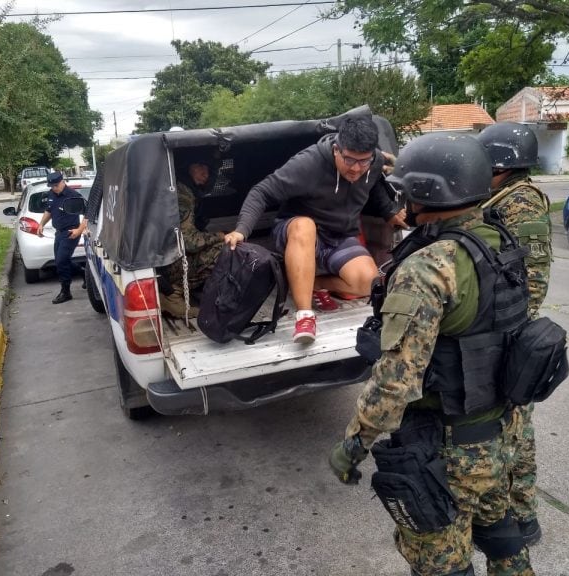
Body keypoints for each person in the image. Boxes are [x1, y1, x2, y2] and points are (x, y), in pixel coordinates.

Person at [329, 133, 535, 576]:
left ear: (427, 192)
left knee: (441, 564)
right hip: (501, 436)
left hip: (447, 450)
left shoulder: (429, 266)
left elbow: (396, 379)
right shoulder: (499, 241)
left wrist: (354, 444)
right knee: (502, 541)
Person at [223, 114, 406, 345]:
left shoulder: (374, 162)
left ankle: (316, 284)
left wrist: (389, 212)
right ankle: (305, 316)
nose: (356, 169)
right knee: (305, 225)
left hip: (339, 235)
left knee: (369, 283)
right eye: (349, 160)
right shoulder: (308, 163)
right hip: (296, 231)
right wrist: (242, 230)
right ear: (337, 149)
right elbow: (262, 191)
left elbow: (375, 184)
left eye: (363, 162)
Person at [478, 122, 553, 546]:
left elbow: (534, 279)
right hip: (510, 329)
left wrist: (505, 330)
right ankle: (518, 516)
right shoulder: (504, 197)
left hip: (513, 333)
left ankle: (522, 519)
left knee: (516, 432)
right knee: (513, 430)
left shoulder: (520, 204)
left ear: (503, 164)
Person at [158, 160, 223, 319]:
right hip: (165, 263)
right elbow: (188, 242)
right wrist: (220, 236)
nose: (205, 174)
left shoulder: (179, 188)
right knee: (223, 249)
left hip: (164, 258)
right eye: (200, 166)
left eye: (208, 169)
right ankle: (172, 294)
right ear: (187, 167)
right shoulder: (182, 195)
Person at [37, 171, 87, 304]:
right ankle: (84, 272)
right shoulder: (51, 194)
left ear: (63, 182)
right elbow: (49, 211)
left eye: (56, 185)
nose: (54, 188)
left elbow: (87, 215)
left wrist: (79, 230)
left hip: (71, 232)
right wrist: (41, 224)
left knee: (60, 261)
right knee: (62, 261)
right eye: (52, 186)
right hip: (59, 233)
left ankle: (66, 292)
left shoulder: (73, 196)